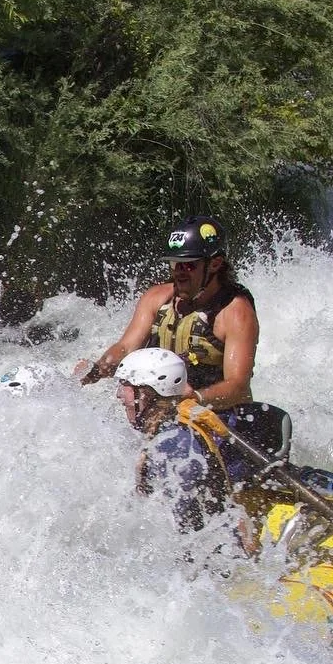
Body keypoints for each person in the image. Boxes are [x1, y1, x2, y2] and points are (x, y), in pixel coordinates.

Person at [79, 216, 259, 412]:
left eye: (189, 265)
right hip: (163, 412)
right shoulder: (156, 298)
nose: (179, 272)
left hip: (215, 415)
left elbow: (239, 387)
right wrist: (96, 369)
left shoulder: (236, 312)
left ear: (215, 264)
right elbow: (125, 348)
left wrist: (195, 398)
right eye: (175, 264)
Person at [114, 347, 255, 535]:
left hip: (212, 554)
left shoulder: (174, 445)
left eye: (125, 385)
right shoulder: (169, 430)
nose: (119, 395)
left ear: (146, 392)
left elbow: (184, 526)